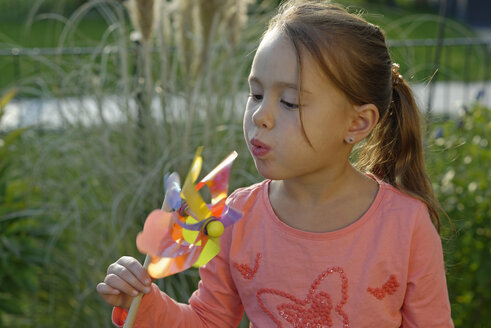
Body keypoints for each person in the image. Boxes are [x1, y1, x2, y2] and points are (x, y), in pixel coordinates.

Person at [97, 0, 454, 326]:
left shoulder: (406, 226)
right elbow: (209, 320)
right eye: (255, 94)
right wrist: (142, 304)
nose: (260, 115)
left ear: (357, 123)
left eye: (289, 102)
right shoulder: (236, 219)